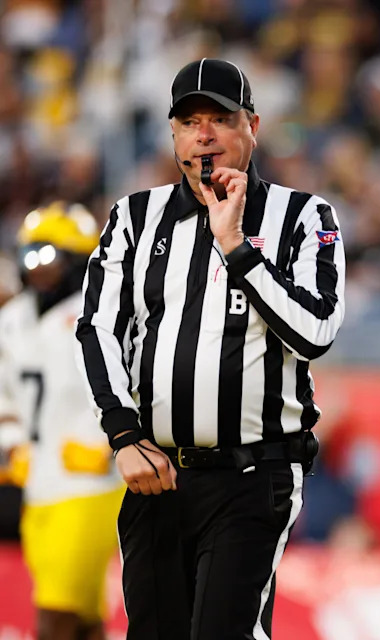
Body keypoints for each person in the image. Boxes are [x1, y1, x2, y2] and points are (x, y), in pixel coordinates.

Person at [75, 58, 346, 639]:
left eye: (220, 119)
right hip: (156, 475)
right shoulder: (134, 216)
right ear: (173, 134)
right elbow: (98, 328)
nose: (205, 135)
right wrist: (123, 433)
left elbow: (316, 331)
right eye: (190, 121)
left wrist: (237, 246)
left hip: (253, 471)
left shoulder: (304, 215)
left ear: (253, 126)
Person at [0, 202, 125, 640]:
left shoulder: (105, 316)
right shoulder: (12, 320)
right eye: (29, 255)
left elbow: (142, 387)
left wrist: (112, 443)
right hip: (39, 485)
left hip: (92, 485)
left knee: (54, 617)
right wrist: (12, 441)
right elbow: (4, 396)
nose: (36, 268)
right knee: (85, 621)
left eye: (48, 256)